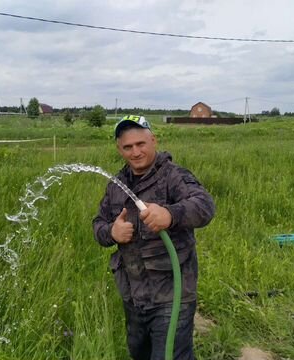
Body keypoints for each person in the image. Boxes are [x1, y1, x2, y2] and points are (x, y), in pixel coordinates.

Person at [93, 115, 215, 360]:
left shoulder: (173, 176)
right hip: (133, 296)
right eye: (127, 147)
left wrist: (170, 214)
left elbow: (204, 206)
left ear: (153, 141)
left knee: (171, 355)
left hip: (172, 296)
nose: (135, 152)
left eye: (141, 144)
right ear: (119, 149)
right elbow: (99, 224)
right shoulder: (117, 185)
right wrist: (111, 232)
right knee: (140, 353)